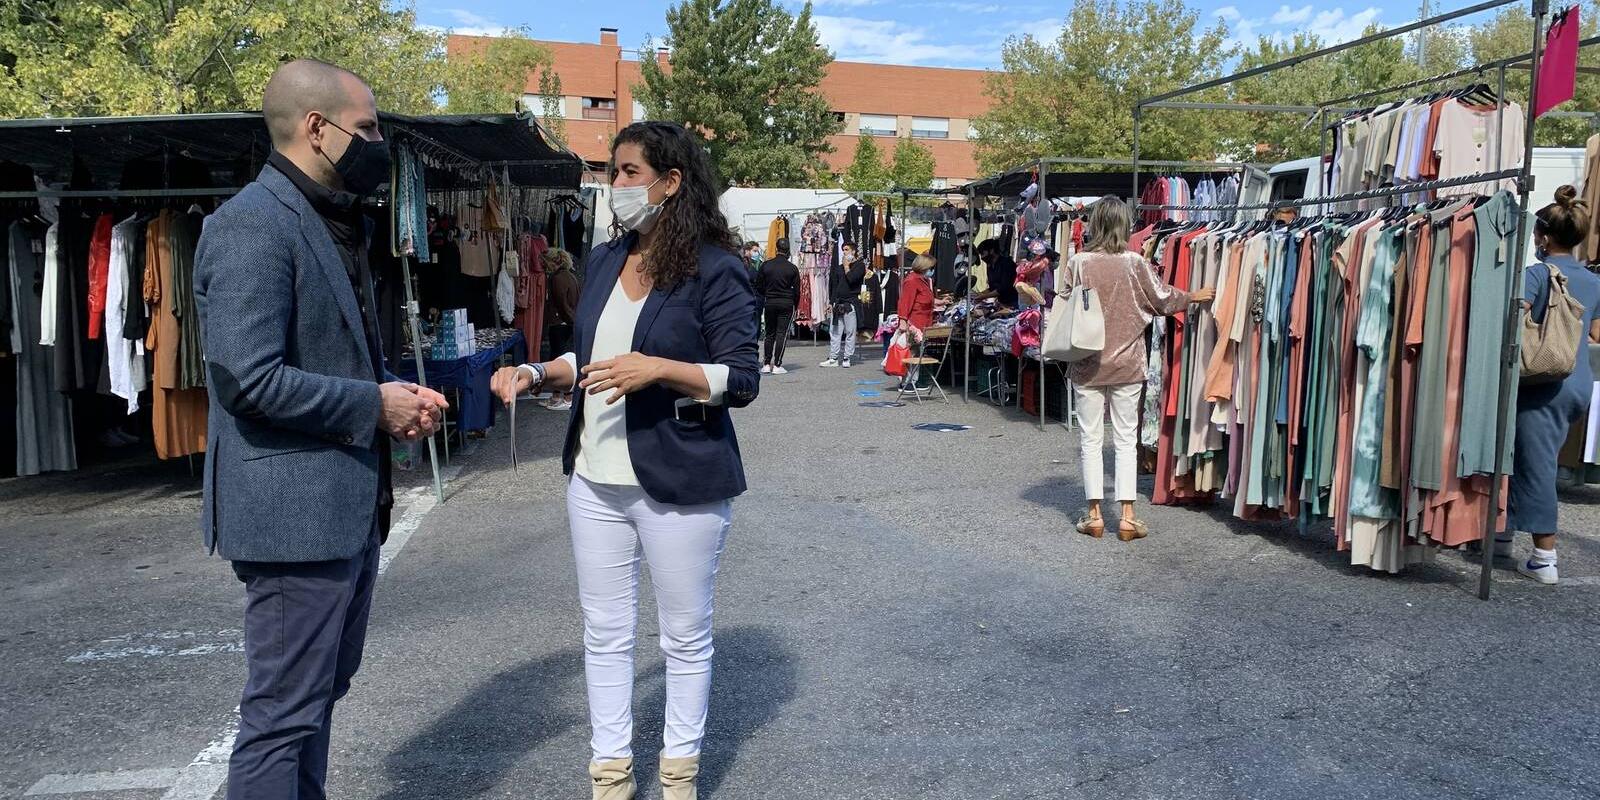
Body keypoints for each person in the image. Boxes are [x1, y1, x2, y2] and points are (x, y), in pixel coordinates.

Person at [192, 59, 449, 798]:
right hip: (291, 518)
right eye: (366, 128)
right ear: (316, 128)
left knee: (311, 702)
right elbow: (249, 378)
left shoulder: (328, 221)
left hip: (340, 509)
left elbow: (330, 355)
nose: (376, 143)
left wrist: (391, 396)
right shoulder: (251, 225)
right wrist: (374, 406)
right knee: (281, 716)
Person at [490, 120, 760, 800]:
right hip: (594, 477)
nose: (616, 186)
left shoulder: (717, 268)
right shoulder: (605, 261)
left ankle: (678, 778)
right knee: (605, 635)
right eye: (613, 172)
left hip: (681, 477)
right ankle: (609, 777)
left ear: (671, 183)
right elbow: (594, 360)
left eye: (629, 172)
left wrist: (660, 370)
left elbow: (742, 379)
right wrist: (536, 370)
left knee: (684, 638)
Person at [1059, 196, 1212, 542]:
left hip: (1087, 362)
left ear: (1096, 224)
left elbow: (1065, 303)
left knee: (1090, 439)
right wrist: (1191, 297)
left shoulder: (1079, 263)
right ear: (1125, 225)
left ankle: (1095, 514)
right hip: (1128, 363)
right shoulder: (1135, 263)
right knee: (1127, 440)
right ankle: (1127, 516)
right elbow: (1160, 299)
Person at [1501, 185, 1600, 585]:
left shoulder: (1537, 274)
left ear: (1542, 236)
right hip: (1578, 383)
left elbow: (1515, 320)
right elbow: (1594, 333)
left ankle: (1545, 556)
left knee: (1537, 466)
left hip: (1543, 384)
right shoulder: (1593, 279)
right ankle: (1502, 532)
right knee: (1523, 456)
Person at [754, 237, 800, 374]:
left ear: (776, 248)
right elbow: (797, 291)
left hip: (770, 302)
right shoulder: (792, 268)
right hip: (787, 302)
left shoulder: (766, 265)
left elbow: (759, 286)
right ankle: (778, 364)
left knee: (770, 333)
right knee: (782, 334)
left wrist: (768, 294)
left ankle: (766, 363)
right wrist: (795, 305)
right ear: (788, 251)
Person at [544, 248, 581, 411]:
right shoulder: (571, 276)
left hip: (560, 323)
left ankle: (561, 397)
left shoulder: (556, 278)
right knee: (566, 357)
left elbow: (561, 303)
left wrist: (569, 320)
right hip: (569, 322)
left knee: (557, 358)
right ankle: (563, 396)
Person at [896, 253, 937, 393]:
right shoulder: (912, 280)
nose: (933, 270)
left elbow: (925, 299)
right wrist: (903, 320)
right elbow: (905, 302)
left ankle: (914, 380)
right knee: (910, 352)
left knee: (918, 352)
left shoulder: (923, 280)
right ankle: (905, 381)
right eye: (932, 267)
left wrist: (939, 302)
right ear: (925, 266)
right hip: (913, 323)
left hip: (923, 323)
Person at [821, 241, 866, 367]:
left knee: (850, 331)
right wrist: (831, 302)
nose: (844, 252)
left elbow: (852, 279)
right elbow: (835, 286)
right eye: (843, 250)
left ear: (853, 251)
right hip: (838, 303)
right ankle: (833, 358)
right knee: (835, 331)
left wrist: (847, 266)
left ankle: (847, 358)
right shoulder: (839, 268)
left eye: (846, 249)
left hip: (850, 303)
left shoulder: (859, 266)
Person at [974, 239, 1018, 308]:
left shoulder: (1007, 264)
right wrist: (979, 294)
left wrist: (983, 296)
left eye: (983, 253)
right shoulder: (990, 266)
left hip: (1014, 302)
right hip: (1002, 303)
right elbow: (992, 287)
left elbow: (1003, 288)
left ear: (991, 251)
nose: (982, 257)